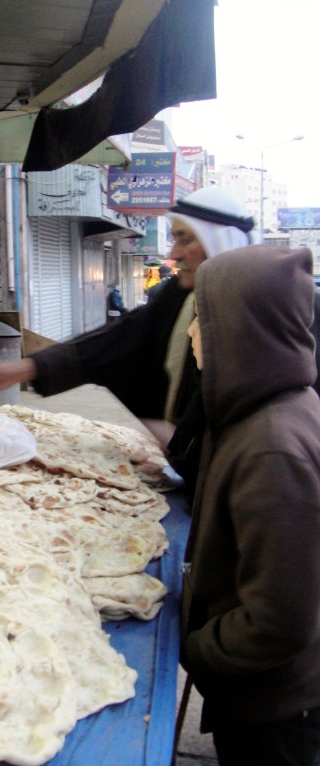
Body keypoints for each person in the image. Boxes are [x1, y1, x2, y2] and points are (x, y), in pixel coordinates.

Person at [0, 185, 263, 428]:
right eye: (173, 239)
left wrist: (190, 443)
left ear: (221, 243)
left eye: (185, 239)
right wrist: (24, 368)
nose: (174, 253)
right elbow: (116, 344)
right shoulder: (178, 296)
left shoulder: (264, 319)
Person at [179, 245, 320, 766]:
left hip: (273, 707)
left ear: (243, 328)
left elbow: (279, 621)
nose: (193, 334)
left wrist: (198, 649)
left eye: (203, 320)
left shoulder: (271, 445)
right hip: (256, 692)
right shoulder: (265, 403)